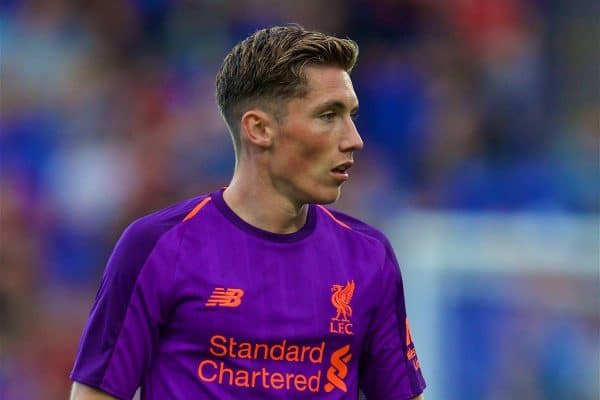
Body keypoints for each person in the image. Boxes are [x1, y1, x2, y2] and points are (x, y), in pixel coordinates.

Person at [69, 25, 426, 400]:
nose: (354, 138)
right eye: (328, 115)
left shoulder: (368, 256)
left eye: (351, 114)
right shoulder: (157, 247)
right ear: (259, 129)